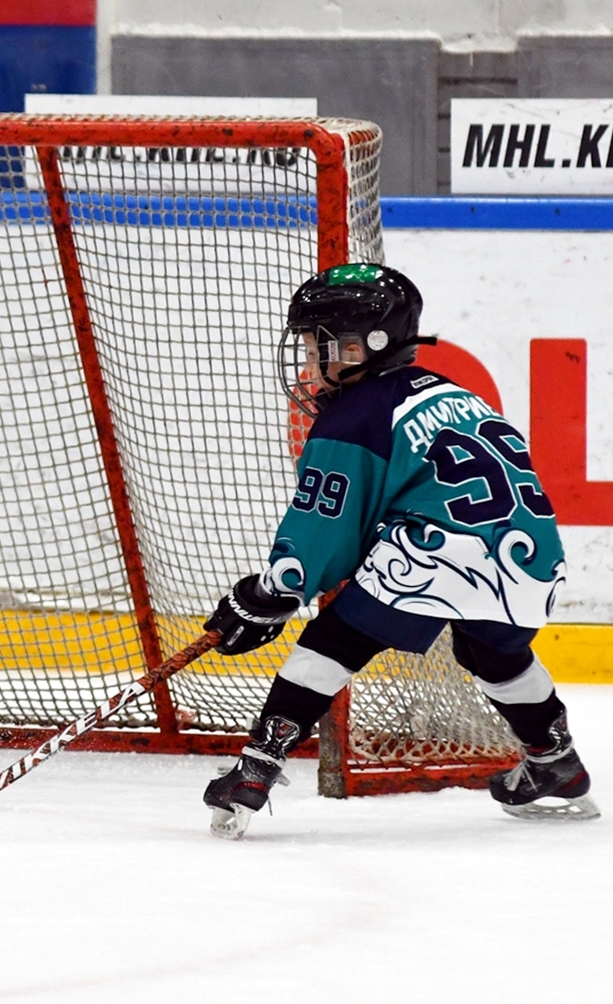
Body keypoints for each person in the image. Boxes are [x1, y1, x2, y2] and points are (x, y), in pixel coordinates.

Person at [201, 263, 598, 839]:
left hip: (437, 554)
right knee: (497, 656)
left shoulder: (354, 416)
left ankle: (254, 771)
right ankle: (555, 760)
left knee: (334, 642)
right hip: (535, 560)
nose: (310, 363)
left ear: (366, 346)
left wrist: (270, 594)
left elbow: (323, 531)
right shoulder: (457, 394)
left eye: (321, 347)